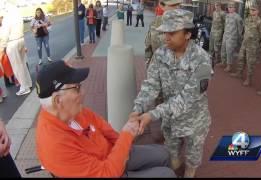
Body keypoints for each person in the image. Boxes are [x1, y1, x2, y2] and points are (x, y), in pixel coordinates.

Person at [35, 61, 176, 178]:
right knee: (167, 174)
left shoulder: (71, 112)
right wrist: (127, 136)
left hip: (112, 156)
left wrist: (123, 146)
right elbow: (107, 173)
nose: (83, 92)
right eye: (76, 88)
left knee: (163, 154)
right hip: (108, 172)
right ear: (58, 100)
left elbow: (103, 128)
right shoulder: (54, 144)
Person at [133, 9, 212, 178]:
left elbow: (188, 98)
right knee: (173, 157)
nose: (166, 37)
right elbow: (151, 85)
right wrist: (137, 108)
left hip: (194, 122)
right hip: (170, 121)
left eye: (172, 32)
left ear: (187, 34)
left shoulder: (202, 59)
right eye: (165, 32)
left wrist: (152, 114)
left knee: (192, 160)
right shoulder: (160, 54)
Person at [0, 1, 32, 96]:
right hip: (21, 39)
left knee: (17, 67)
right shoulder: (17, 15)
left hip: (12, 43)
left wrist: (1, 48)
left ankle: (24, 87)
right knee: (22, 64)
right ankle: (28, 83)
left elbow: (4, 35)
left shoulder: (7, 19)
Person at [230, 4, 261, 86]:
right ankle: (239, 73)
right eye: (251, 10)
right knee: (241, 58)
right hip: (244, 43)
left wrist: (255, 43)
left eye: (254, 10)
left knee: (250, 63)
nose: (252, 11)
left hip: (252, 46)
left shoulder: (260, 22)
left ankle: (248, 79)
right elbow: (244, 30)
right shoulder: (247, 20)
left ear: (257, 11)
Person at [144, 0, 182, 68]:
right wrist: (149, 68)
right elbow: (148, 49)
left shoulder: (185, 25)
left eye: (179, 5)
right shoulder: (155, 24)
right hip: (157, 71)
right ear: (162, 6)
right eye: (173, 5)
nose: (177, 8)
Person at [218, 2, 243, 72]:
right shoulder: (227, 16)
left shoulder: (238, 17)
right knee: (223, 49)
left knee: (229, 51)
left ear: (235, 8)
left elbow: (240, 29)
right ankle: (223, 62)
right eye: (229, 7)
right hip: (225, 35)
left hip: (232, 37)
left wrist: (238, 39)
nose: (230, 8)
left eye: (231, 7)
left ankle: (229, 66)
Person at [208, 2, 226, 66]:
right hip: (212, 30)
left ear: (220, 6)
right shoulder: (214, 12)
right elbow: (213, 21)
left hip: (218, 31)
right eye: (215, 5)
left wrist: (223, 32)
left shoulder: (223, 13)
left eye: (217, 5)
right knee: (211, 44)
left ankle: (217, 59)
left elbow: (225, 23)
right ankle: (210, 57)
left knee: (217, 46)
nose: (216, 7)